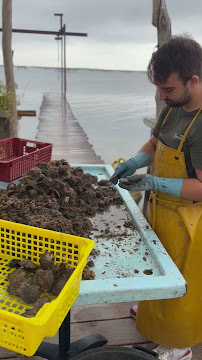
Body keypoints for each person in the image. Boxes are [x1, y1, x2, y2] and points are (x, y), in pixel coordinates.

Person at [111, 35, 202, 360]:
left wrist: (152, 181)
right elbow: (154, 143)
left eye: (169, 90)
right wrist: (135, 161)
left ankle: (180, 345)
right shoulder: (171, 108)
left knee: (181, 286)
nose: (162, 96)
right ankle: (151, 315)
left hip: (188, 219)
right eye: (159, 90)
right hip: (160, 208)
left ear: (193, 80)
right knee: (154, 269)